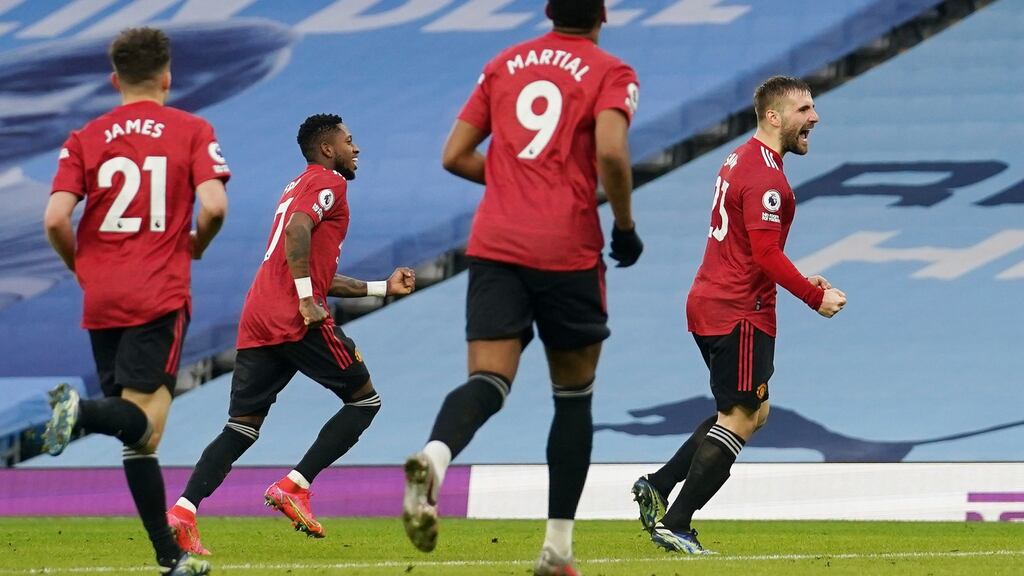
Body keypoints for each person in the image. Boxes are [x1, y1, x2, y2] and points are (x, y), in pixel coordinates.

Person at [402, 2, 642, 574]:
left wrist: (512, 179)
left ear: (549, 10)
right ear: (602, 15)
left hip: (496, 246)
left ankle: (434, 458)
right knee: (574, 395)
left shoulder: (504, 63)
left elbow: (454, 155)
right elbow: (610, 149)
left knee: (488, 380)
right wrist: (625, 226)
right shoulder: (612, 72)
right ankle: (557, 550)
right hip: (567, 247)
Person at [164, 113, 415, 555]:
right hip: (294, 317)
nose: (356, 149)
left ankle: (183, 511)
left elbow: (318, 271)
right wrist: (304, 299)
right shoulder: (328, 184)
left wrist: (382, 287)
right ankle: (294, 486)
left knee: (241, 426)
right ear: (327, 149)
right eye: (349, 141)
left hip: (259, 314)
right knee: (364, 401)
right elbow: (298, 232)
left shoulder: (295, 185)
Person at [630, 76, 847, 554]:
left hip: (715, 299)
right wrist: (814, 300)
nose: (814, 117)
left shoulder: (740, 158)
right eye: (804, 109)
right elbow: (766, 254)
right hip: (739, 312)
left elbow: (752, 250)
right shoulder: (767, 176)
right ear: (774, 116)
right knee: (742, 416)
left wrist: (801, 279)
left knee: (751, 410)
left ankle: (659, 484)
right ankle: (676, 522)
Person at [42, 27, 228, 576]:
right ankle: (79, 413)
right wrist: (195, 242)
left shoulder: (85, 136)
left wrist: (80, 266)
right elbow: (214, 206)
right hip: (158, 291)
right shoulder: (192, 129)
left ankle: (170, 558)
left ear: (113, 78)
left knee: (136, 437)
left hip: (101, 295)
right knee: (146, 428)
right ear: (167, 77)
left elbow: (55, 217)